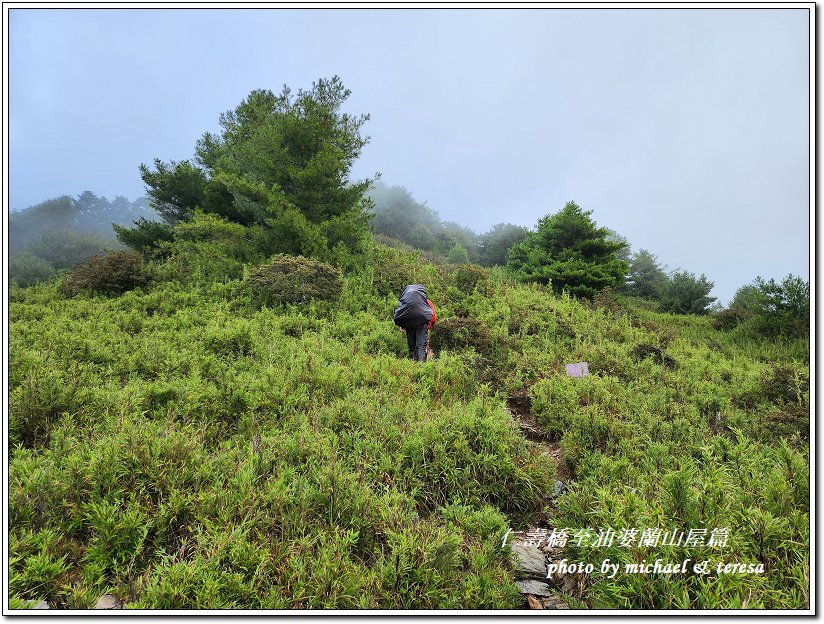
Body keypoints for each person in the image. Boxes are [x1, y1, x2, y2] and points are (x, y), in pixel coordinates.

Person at [392, 284, 437, 361]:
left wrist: (403, 326)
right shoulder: (427, 302)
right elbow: (433, 319)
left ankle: (412, 364)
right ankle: (421, 367)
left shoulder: (407, 303)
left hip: (409, 325)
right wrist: (428, 326)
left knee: (412, 346)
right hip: (422, 325)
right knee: (421, 346)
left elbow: (402, 314)